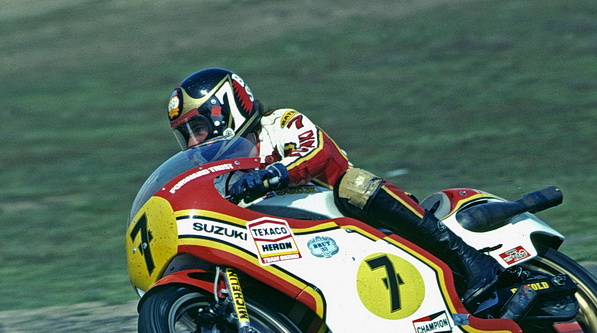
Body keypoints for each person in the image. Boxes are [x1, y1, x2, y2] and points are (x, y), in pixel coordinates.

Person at [167, 68, 505, 311]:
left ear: (226, 110)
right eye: (186, 134)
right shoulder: (220, 174)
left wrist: (273, 174)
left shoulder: (280, 123)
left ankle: (469, 258)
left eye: (198, 128)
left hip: (349, 219)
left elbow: (319, 154)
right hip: (293, 245)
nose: (193, 142)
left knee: (353, 184)